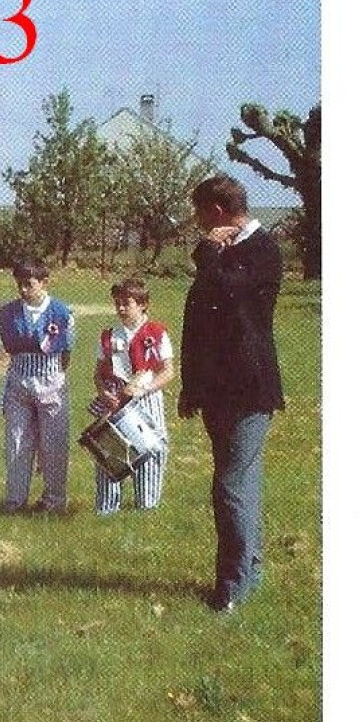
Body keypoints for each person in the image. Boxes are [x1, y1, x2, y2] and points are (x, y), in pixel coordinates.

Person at [178, 175, 284, 613]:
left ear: (218, 211)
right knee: (241, 481)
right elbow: (198, 319)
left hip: (248, 391)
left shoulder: (262, 251)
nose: (198, 223)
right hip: (217, 390)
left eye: (200, 213)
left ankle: (234, 585)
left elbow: (229, 293)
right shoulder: (222, 255)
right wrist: (191, 385)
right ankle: (249, 569)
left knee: (230, 485)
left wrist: (207, 253)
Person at [0, 258, 75, 513]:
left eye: (28, 284)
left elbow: (65, 351)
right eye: (19, 284)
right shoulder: (7, 312)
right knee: (17, 442)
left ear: (44, 283)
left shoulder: (62, 312)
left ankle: (54, 501)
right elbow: (11, 345)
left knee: (54, 444)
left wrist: (54, 376)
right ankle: (15, 500)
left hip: (52, 382)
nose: (22, 290)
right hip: (19, 382)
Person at [91, 277, 174, 515]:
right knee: (108, 450)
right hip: (115, 399)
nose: (121, 308)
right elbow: (98, 373)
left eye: (126, 303)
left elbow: (168, 370)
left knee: (152, 449)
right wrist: (102, 391)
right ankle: (107, 508)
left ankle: (146, 506)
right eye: (117, 303)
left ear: (142, 304)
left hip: (146, 397)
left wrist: (145, 388)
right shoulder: (109, 335)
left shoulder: (156, 333)